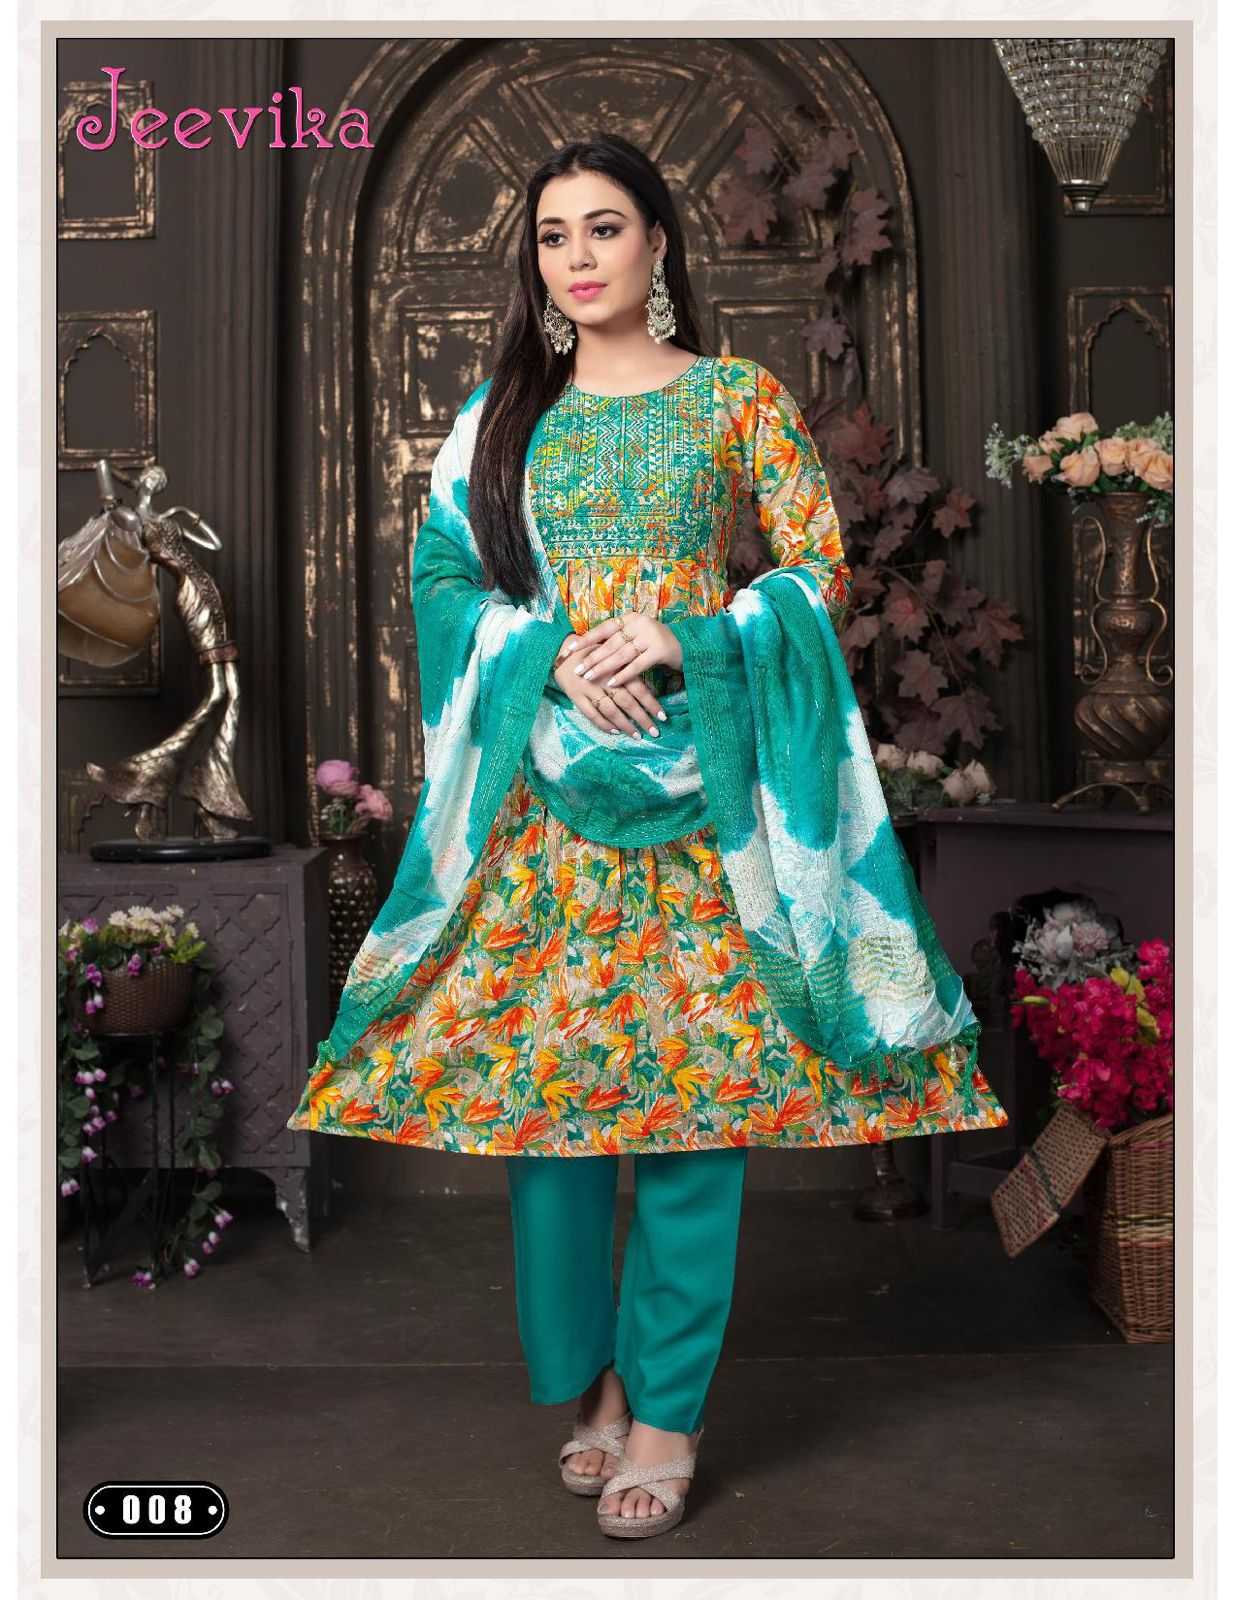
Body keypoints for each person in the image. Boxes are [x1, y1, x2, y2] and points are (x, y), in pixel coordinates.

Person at [287, 132, 1009, 1541]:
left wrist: (686, 636)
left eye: (604, 227)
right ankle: (594, 1379)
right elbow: (442, 579)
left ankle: (668, 1413)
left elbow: (815, 571)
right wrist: (548, 655)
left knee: (699, 1116)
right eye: (553, 235)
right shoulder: (501, 414)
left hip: (707, 805)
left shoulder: (737, 399)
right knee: (551, 1114)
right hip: (545, 806)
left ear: (659, 242)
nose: (579, 257)